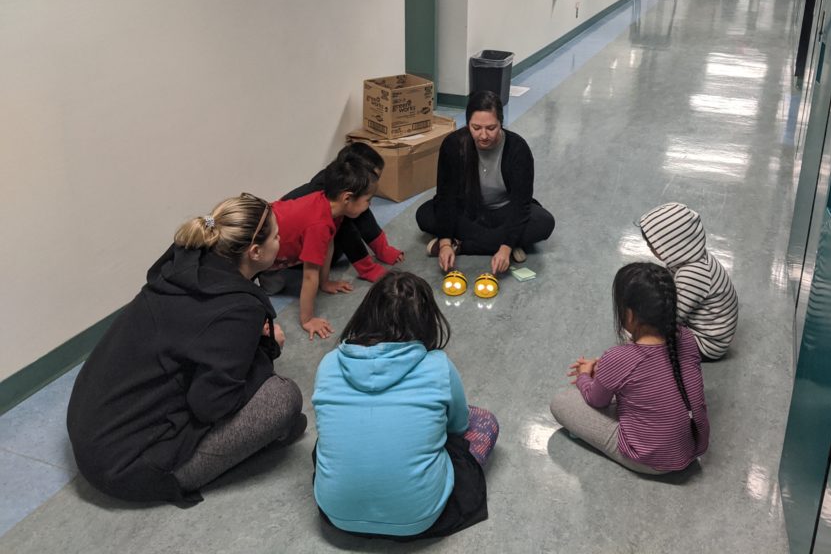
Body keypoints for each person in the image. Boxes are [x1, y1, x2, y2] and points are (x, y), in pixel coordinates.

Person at [66, 194, 306, 503]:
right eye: (276, 235)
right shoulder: (237, 308)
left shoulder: (186, 263)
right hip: (130, 468)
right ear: (255, 252)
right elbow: (211, 404)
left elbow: (196, 336)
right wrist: (265, 349)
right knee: (282, 398)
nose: (281, 239)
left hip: (94, 433)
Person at [312, 271, 498, 540]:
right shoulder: (438, 365)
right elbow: (458, 427)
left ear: (366, 312)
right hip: (420, 517)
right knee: (483, 420)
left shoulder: (329, 363)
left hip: (337, 514)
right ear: (427, 320)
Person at [550, 261, 709, 474]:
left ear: (630, 315)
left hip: (649, 460)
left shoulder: (618, 358)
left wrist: (584, 376)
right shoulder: (686, 337)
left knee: (562, 402)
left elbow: (596, 400)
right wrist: (606, 370)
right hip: (690, 447)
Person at [416, 90, 554, 275]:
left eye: (491, 128)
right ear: (467, 124)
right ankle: (509, 243)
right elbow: (445, 196)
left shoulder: (517, 149)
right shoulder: (453, 145)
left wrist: (504, 248)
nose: (483, 136)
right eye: (476, 127)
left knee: (543, 222)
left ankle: (465, 246)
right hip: (467, 210)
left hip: (503, 211)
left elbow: (521, 205)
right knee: (424, 215)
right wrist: (445, 244)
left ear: (501, 124)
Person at [267, 155, 377, 340]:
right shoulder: (319, 224)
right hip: (258, 247)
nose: (370, 205)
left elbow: (329, 245)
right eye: (368, 200)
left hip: (276, 243)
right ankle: (264, 275)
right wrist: (307, 319)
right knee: (263, 290)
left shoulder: (331, 207)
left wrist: (325, 282)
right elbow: (310, 275)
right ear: (347, 198)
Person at [281, 142, 404, 283]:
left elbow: (365, 217)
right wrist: (367, 268)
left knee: (359, 212)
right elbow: (346, 232)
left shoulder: (345, 186)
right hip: (293, 249)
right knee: (342, 235)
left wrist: (383, 249)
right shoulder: (325, 193)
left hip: (316, 233)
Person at [637, 202, 739, 360]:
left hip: (707, 343)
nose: (650, 247)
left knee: (650, 338)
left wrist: (640, 328)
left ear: (673, 246)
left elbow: (671, 318)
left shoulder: (692, 275)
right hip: (706, 327)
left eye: (654, 245)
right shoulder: (691, 256)